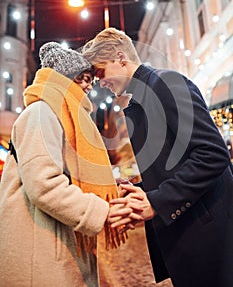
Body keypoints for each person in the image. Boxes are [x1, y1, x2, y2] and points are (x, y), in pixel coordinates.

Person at [82, 27, 233, 287]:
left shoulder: (165, 83)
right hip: (192, 232)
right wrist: (138, 193)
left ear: (120, 57)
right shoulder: (141, 100)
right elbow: (176, 165)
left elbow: (212, 154)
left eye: (100, 72)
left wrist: (156, 200)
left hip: (210, 235)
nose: (99, 83)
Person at [0, 42, 129, 287]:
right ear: (67, 80)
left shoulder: (62, 116)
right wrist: (102, 211)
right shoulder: (41, 113)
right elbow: (44, 185)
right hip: (41, 252)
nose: (90, 87)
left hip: (56, 244)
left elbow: (67, 175)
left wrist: (106, 186)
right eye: (85, 79)